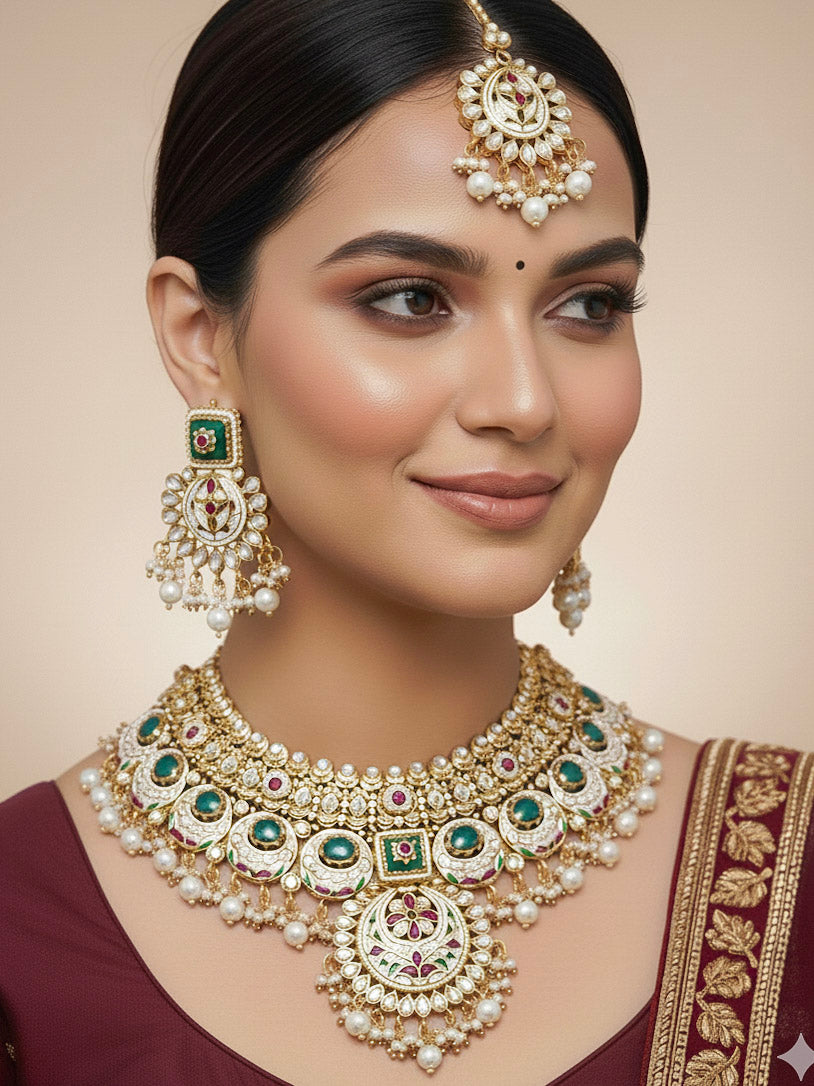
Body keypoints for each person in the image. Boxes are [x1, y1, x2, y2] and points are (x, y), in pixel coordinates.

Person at [1, 1, 811, 1083]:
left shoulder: (785, 870)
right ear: (202, 342)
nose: (524, 402)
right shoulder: (23, 917)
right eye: (410, 297)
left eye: (588, 306)